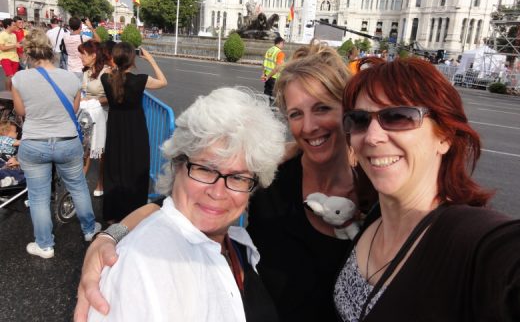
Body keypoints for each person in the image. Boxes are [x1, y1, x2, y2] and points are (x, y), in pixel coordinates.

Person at [74, 43, 377, 322]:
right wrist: (109, 239)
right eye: (296, 114)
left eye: (322, 108)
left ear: (347, 110)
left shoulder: (376, 186)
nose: (309, 126)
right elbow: (183, 203)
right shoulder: (274, 170)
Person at [334, 57, 520, 321]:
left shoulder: (467, 237)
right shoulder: (375, 214)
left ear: (444, 136)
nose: (372, 137)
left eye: (398, 116)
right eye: (360, 120)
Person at [84, 87, 285, 321]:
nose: (218, 192)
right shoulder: (143, 266)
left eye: (238, 177)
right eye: (205, 169)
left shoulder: (235, 244)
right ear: (177, 165)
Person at [11, 28, 100, 259]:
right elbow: (74, 110)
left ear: (27, 53)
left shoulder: (19, 78)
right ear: (52, 52)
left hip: (34, 143)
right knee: (78, 186)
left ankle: (45, 245)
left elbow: (21, 112)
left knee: (39, 196)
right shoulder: (71, 78)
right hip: (67, 142)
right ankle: (90, 230)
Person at [100, 43, 167, 223]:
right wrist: (152, 60)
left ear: (114, 59)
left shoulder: (106, 79)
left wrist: (112, 65)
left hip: (115, 127)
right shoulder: (140, 80)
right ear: (132, 59)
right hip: (136, 127)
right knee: (136, 168)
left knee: (115, 168)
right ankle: (134, 214)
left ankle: (112, 214)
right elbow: (163, 81)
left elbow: (112, 75)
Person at [78, 40, 112, 197]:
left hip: (102, 115)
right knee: (85, 150)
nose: (80, 57)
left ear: (93, 55)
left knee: (100, 152)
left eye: (83, 54)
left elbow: (112, 97)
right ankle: (80, 183)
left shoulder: (107, 72)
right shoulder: (85, 71)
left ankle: (101, 183)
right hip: (86, 115)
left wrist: (93, 101)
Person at [0, 18, 21, 90]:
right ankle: (8, 94)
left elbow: (16, 45)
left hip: (15, 58)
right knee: (10, 76)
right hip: (5, 58)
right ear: (8, 26)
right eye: (14, 25)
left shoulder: (14, 35)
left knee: (13, 77)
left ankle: (11, 94)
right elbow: (2, 48)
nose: (15, 26)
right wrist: (15, 45)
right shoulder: (2, 35)